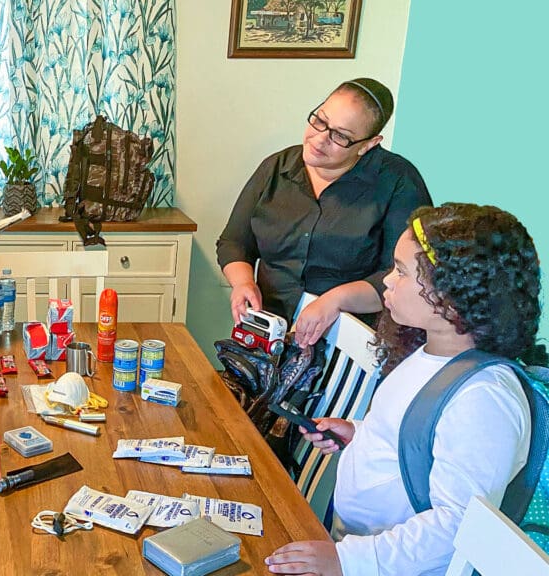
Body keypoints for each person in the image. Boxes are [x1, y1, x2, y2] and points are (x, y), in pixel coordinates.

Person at [265, 203, 545, 576]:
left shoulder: (484, 400)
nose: (387, 281)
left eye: (401, 271)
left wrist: (349, 560)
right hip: (358, 552)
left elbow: (457, 526)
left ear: (451, 294)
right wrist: (359, 435)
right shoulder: (429, 352)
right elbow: (416, 438)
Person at [217, 78, 432, 348]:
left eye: (340, 136)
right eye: (320, 120)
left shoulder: (398, 182)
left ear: (368, 144)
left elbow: (408, 275)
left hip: (347, 342)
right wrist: (243, 282)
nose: (320, 139)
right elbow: (234, 242)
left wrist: (335, 299)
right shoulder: (277, 167)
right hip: (268, 329)